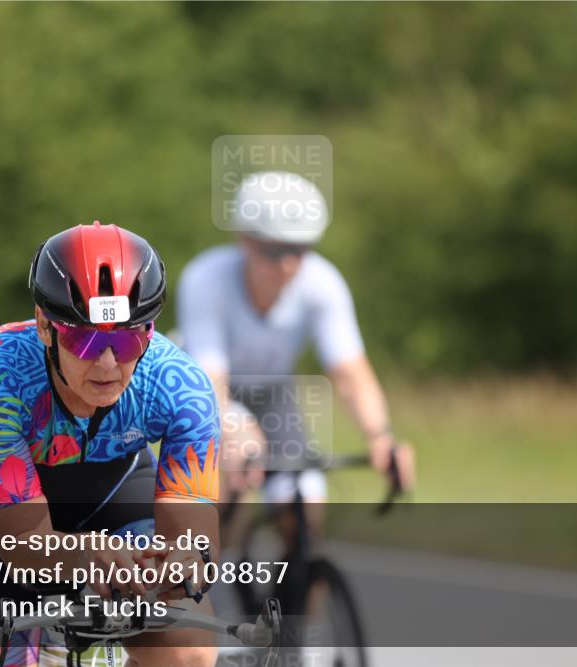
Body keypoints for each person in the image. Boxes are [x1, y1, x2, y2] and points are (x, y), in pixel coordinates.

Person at [0, 222, 220, 667]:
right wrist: (83, 552)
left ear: (150, 332)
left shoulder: (180, 387)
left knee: (187, 649)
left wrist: (181, 563)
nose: (106, 362)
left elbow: (194, 545)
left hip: (110, 492)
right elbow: (21, 543)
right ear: (45, 325)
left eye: (126, 339)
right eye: (85, 338)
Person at [177, 171, 415, 541]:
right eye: (274, 251)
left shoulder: (322, 283)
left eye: (300, 250)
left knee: (306, 511)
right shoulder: (206, 278)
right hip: (204, 392)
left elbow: (350, 372)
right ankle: (201, 581)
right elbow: (210, 377)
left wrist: (380, 436)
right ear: (245, 240)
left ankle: (305, 593)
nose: (287, 264)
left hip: (273, 394)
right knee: (223, 489)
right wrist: (234, 430)